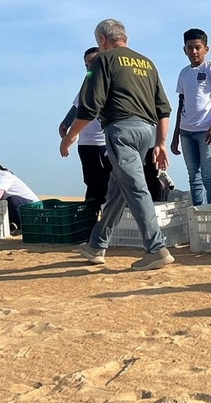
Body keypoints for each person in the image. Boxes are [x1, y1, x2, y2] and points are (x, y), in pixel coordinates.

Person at [60, 18, 173, 271]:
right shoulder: (146, 62)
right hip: (147, 132)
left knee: (135, 188)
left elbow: (89, 106)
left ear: (102, 39)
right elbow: (163, 108)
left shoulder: (102, 59)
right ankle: (96, 245)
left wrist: (70, 136)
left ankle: (156, 248)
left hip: (121, 131)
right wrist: (160, 142)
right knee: (117, 189)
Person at [170, 28, 211, 205]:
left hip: (207, 130)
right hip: (186, 132)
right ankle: (197, 214)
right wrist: (175, 135)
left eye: (197, 47)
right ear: (184, 49)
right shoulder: (184, 73)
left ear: (206, 49)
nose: (194, 51)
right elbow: (181, 104)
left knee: (209, 177)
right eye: (190, 48)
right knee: (193, 177)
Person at [59, 47, 112, 213]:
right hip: (85, 144)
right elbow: (76, 108)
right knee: (91, 183)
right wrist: (65, 127)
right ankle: (92, 218)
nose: (89, 67)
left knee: (105, 183)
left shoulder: (110, 81)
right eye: (86, 64)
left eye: (92, 62)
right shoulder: (86, 85)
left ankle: (107, 216)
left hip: (104, 143)